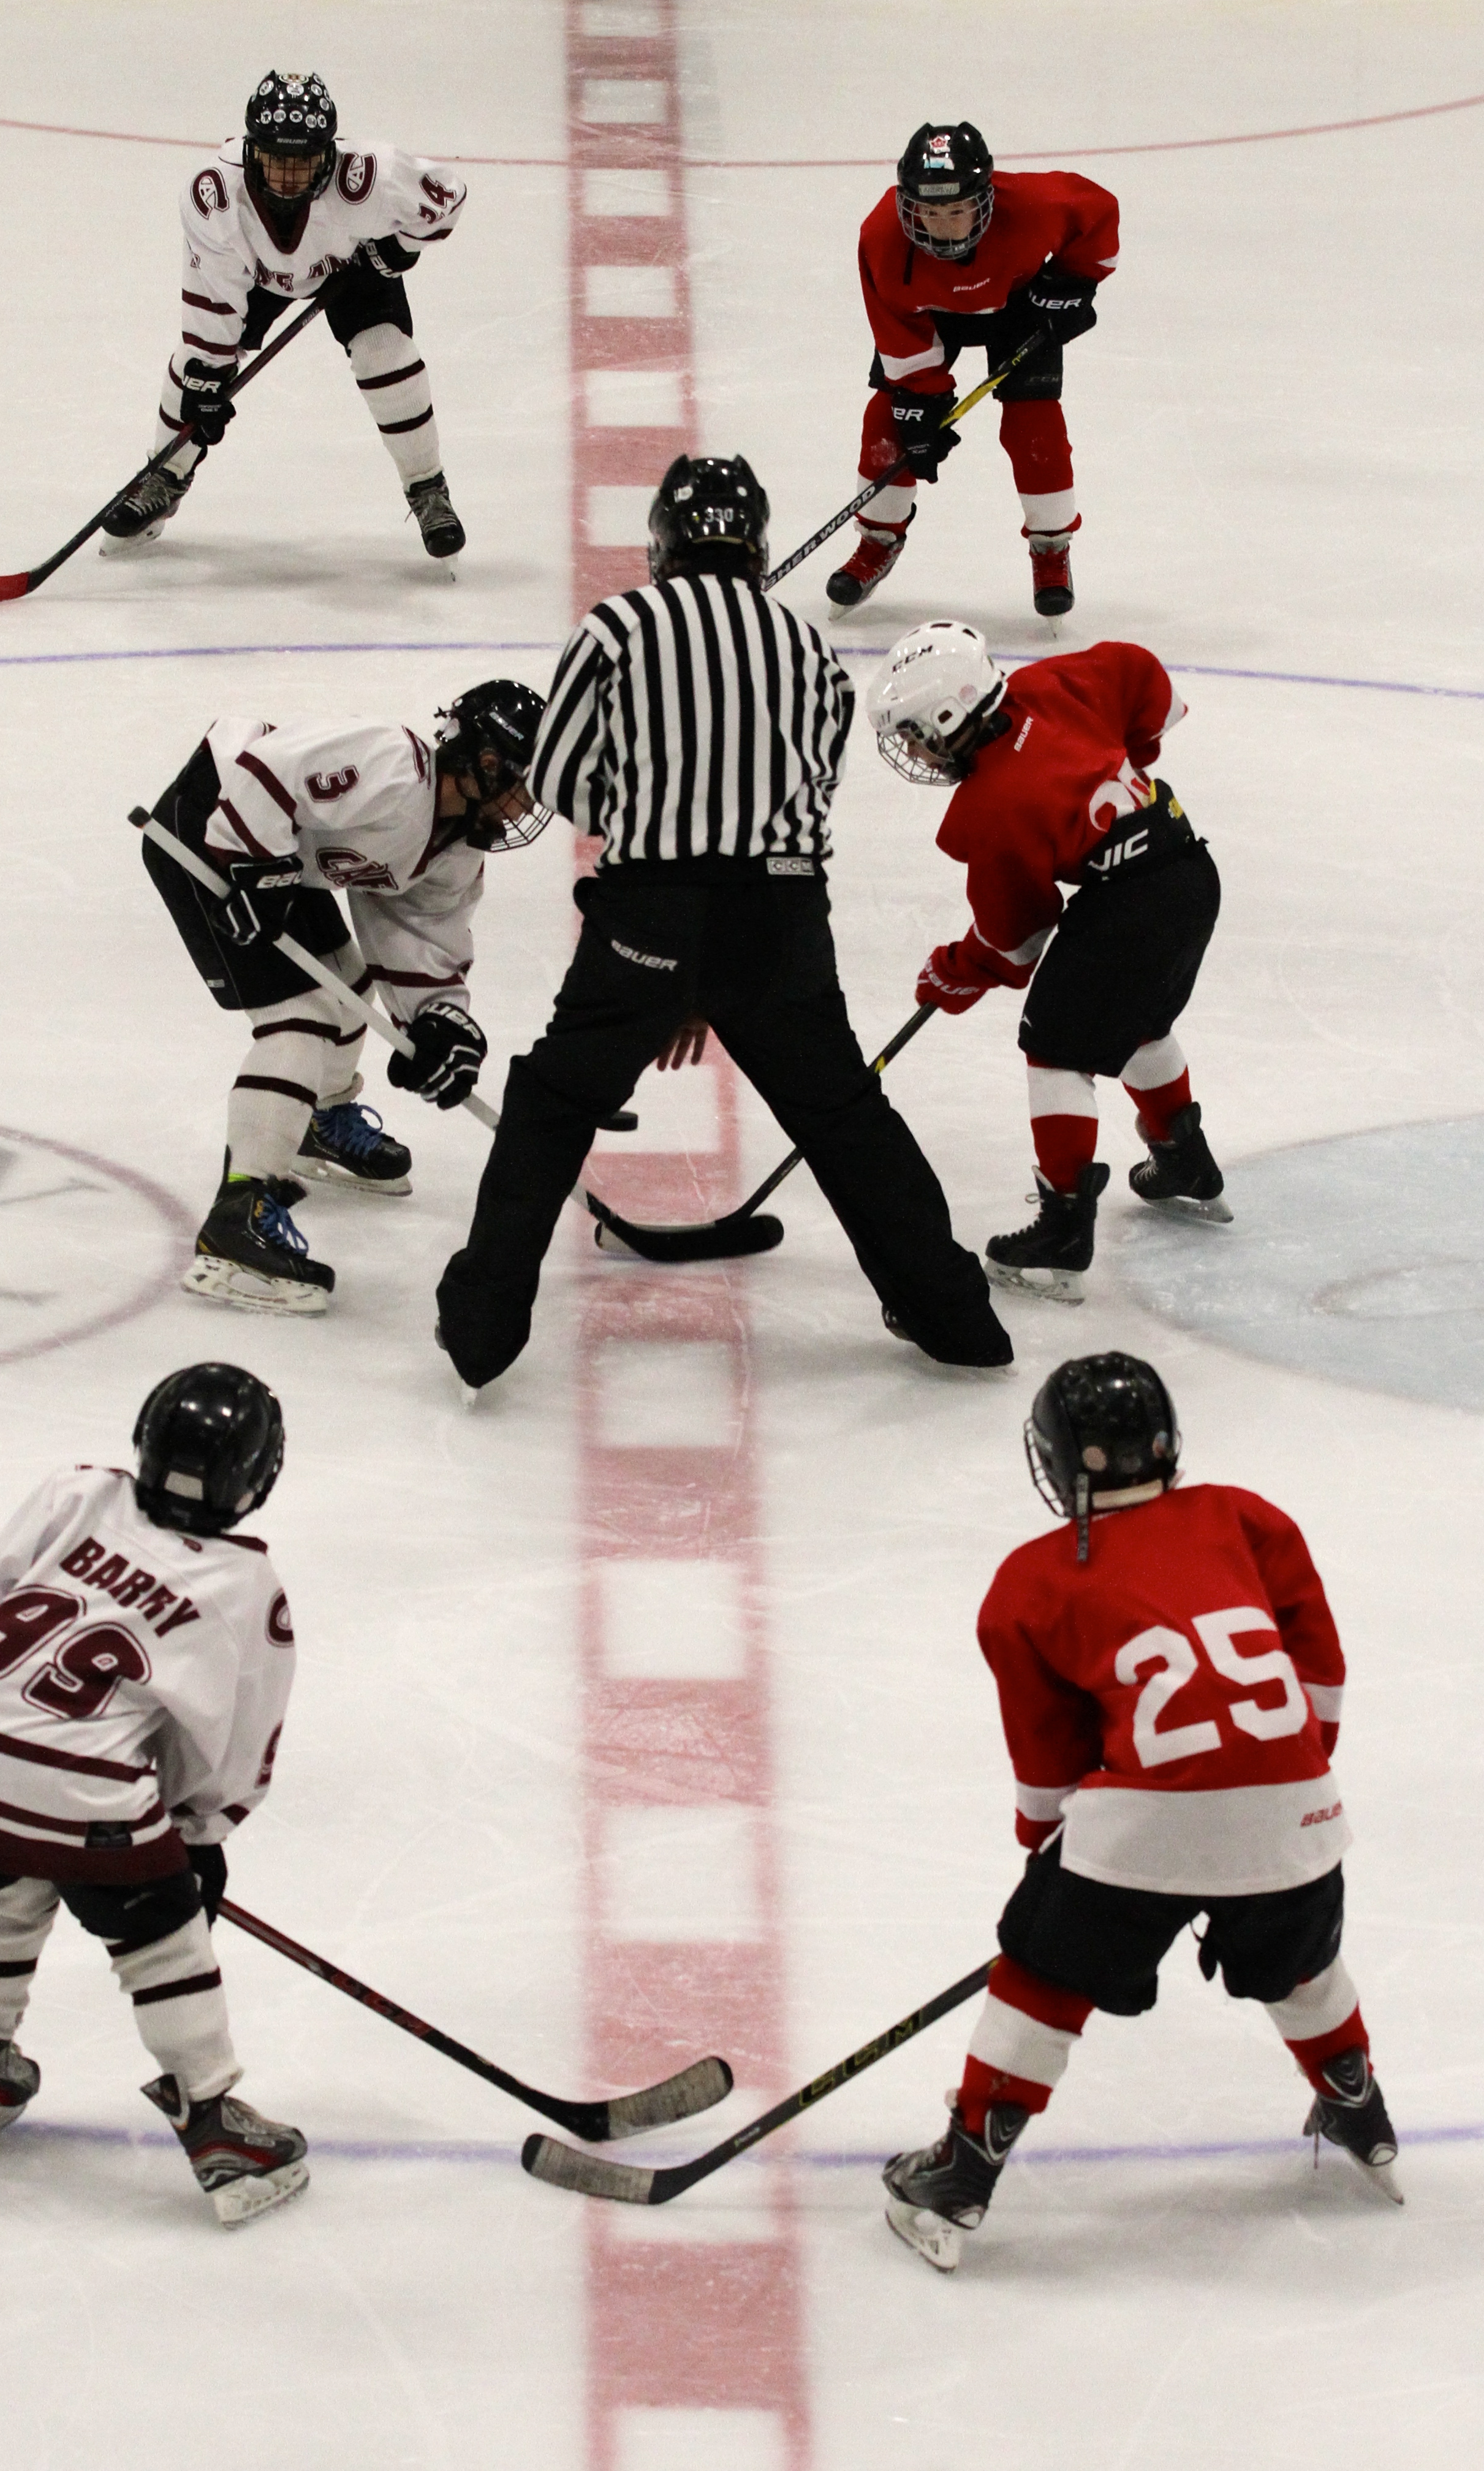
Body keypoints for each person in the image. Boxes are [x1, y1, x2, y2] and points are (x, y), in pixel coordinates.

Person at [434, 454, 1012, 1390]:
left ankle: (481, 1328)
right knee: (843, 1114)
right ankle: (957, 1319)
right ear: (758, 545)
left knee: (553, 1103)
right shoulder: (809, 649)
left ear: (661, 543)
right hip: (782, 912)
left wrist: (657, 847)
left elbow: (565, 779)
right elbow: (814, 789)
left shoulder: (617, 627)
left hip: (650, 910)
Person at [884, 1352, 1400, 2276]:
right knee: (1300, 1959)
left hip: (1146, 1827)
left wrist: (1049, 1857)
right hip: (1298, 1808)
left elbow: (1047, 1756)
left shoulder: (1029, 1581)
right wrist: (1285, 1785)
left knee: (1042, 1977)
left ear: (1057, 1458)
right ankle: (1359, 2106)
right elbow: (1318, 1666)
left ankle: (964, 2170)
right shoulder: (1246, 1516)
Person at [0, 1365, 310, 2228]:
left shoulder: (77, 1491)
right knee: (162, 1943)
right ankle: (215, 2124)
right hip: (80, 1786)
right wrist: (198, 1838)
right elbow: (230, 1743)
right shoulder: (247, 1585)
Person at [142, 679, 551, 1315]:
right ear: (487, 763)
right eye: (524, 783)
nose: (528, 804)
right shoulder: (394, 766)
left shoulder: (455, 851)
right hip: (210, 828)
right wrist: (254, 866)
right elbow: (267, 770)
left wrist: (439, 1023)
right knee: (301, 1018)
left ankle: (316, 1122)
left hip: (282, 860)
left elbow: (421, 939)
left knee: (349, 989)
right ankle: (237, 1220)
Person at [867, 622, 1228, 1305]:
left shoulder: (992, 805)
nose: (912, 750)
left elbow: (1016, 938)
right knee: (1136, 1021)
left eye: (914, 732)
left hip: (1129, 907)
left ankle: (1062, 1232)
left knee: (1056, 1048)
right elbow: (1136, 670)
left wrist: (954, 971)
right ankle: (1185, 1161)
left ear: (950, 717)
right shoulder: (1045, 687)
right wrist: (1130, 757)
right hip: (1189, 873)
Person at [102, 70, 468, 563]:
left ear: (329, 154)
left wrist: (393, 250)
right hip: (258, 278)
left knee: (385, 353)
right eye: (277, 161)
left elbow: (446, 198)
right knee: (197, 364)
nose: (290, 177)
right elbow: (213, 301)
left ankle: (428, 488)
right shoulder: (216, 195)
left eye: (304, 162)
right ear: (252, 151)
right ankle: (164, 477)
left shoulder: (369, 176)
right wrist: (207, 382)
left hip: (351, 268)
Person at [828, 121, 1118, 619]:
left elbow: (1099, 214)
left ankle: (1051, 547)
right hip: (931, 318)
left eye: (957, 210)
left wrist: (1075, 282)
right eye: (930, 212)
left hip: (1021, 304)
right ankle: (878, 539)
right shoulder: (882, 237)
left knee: (1035, 426)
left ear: (985, 198)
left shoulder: (1032, 207)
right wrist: (920, 402)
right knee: (888, 421)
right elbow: (895, 325)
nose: (943, 226)